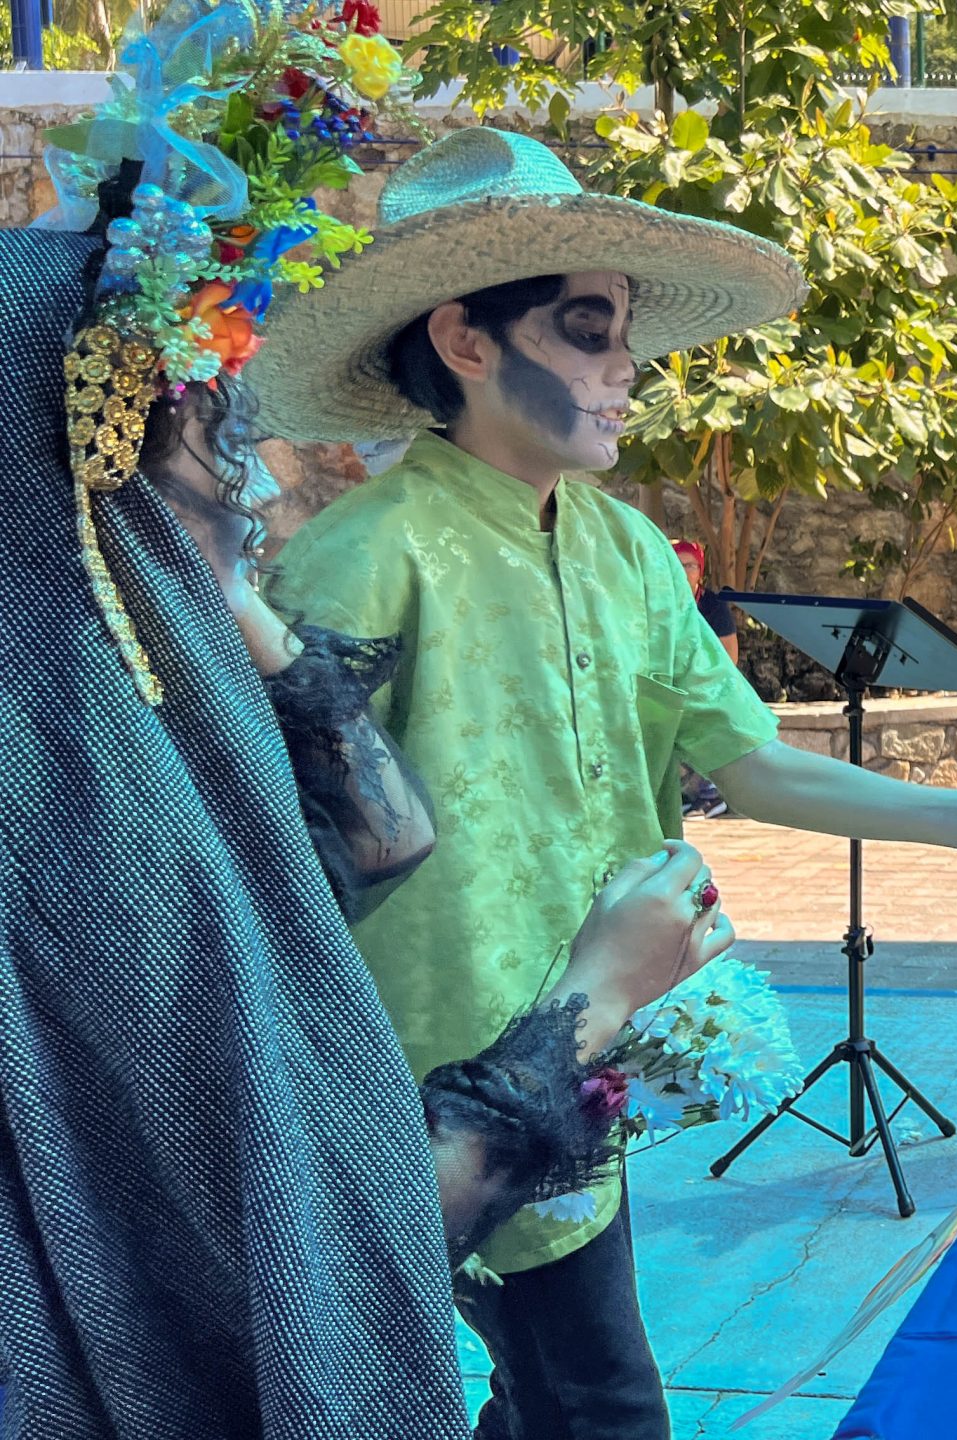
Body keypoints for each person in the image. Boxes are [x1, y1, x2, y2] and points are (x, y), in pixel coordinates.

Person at [249, 127, 957, 1438]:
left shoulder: (623, 547)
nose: (626, 367)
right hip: (436, 1092)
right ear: (463, 341)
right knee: (606, 1405)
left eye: (623, 333)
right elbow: (285, 866)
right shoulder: (356, 560)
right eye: (587, 329)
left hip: (595, 1048)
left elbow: (745, 761)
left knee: (553, 1393)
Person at [0, 7, 734, 1434]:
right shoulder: (80, 847)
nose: (267, 487)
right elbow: (330, 1269)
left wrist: (218, 588)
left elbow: (374, 834)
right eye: (213, 446)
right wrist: (591, 1001)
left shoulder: (126, 745)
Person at [673, 539, 734, 817]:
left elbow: (730, 655)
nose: (685, 571)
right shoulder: (661, 602)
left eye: (691, 565)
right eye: (679, 565)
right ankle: (686, 792)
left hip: (711, 681)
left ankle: (710, 793)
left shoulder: (713, 605)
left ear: (700, 571)